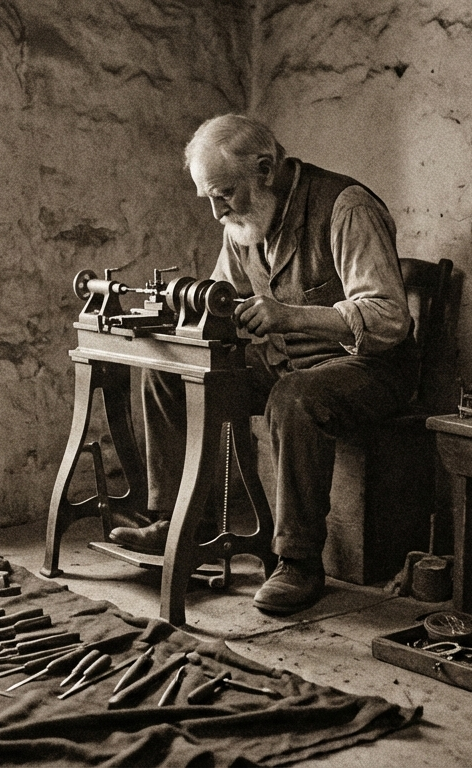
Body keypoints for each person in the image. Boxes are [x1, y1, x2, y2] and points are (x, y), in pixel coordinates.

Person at [109, 114, 417, 615]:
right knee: (169, 368)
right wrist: (199, 315)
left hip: (368, 368)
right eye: (208, 197)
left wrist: (289, 315)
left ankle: (298, 561)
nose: (215, 212)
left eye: (224, 193)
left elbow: (387, 320)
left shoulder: (346, 207)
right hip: (287, 363)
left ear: (266, 168)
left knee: (294, 398)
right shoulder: (242, 222)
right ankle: (182, 520)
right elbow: (222, 296)